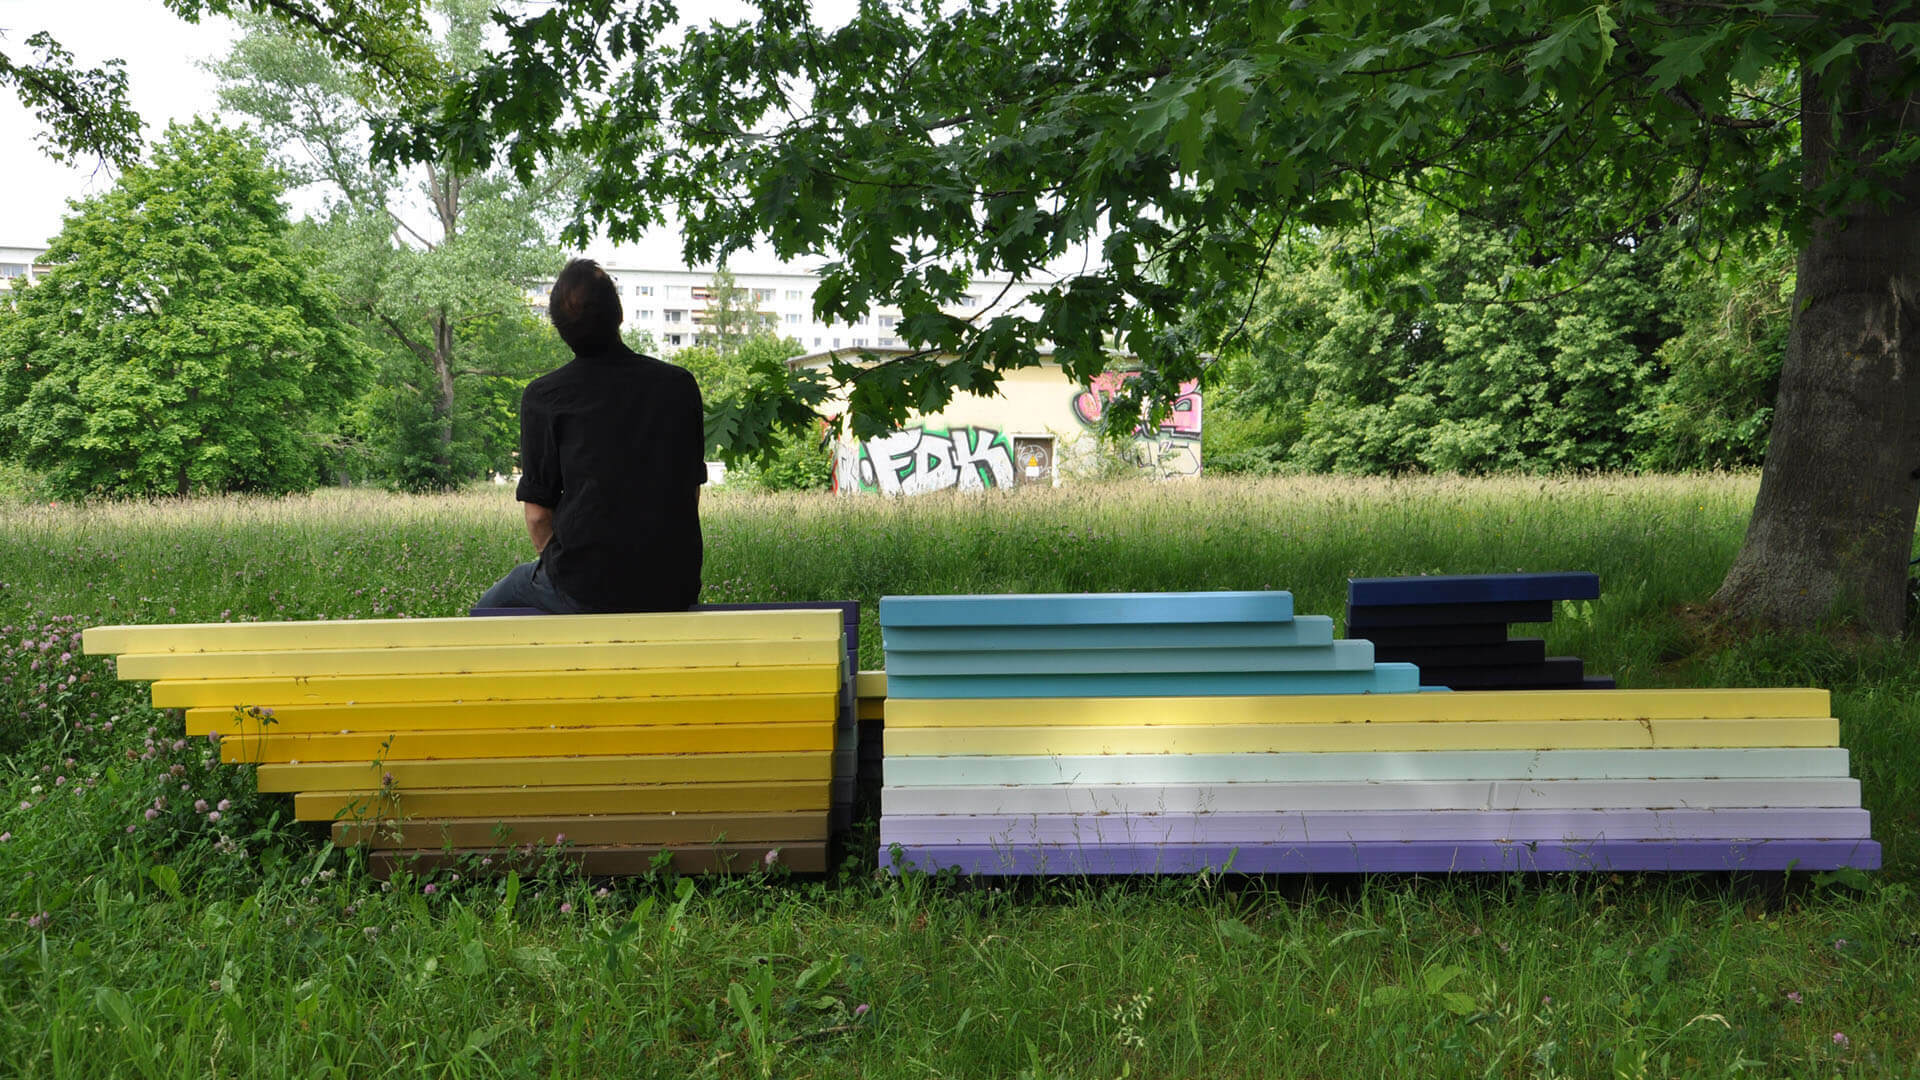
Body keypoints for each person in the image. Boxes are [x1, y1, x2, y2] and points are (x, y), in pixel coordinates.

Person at [476, 259, 706, 613]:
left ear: (560, 328)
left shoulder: (545, 397)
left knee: (487, 609)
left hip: (584, 589)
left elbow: (537, 517)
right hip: (673, 586)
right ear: (619, 315)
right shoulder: (678, 386)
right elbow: (688, 496)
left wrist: (572, 575)